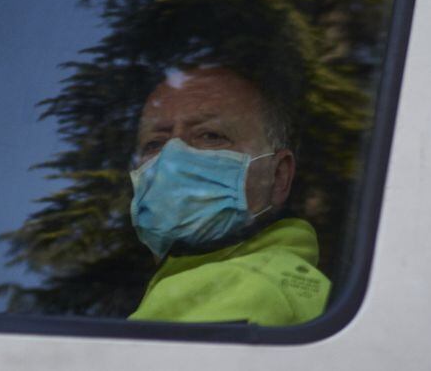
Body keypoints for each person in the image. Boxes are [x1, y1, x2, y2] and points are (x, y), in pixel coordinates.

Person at [127, 65, 331, 326]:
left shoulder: (247, 292)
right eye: (154, 144)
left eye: (210, 136)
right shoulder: (281, 279)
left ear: (278, 176)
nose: (171, 159)